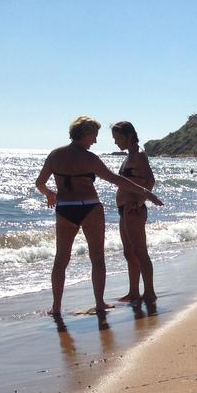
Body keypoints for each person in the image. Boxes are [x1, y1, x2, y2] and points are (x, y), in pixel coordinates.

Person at [36, 116, 163, 317]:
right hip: (90, 208)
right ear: (85, 134)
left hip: (65, 208)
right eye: (94, 136)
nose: (95, 141)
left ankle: (56, 307)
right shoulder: (90, 159)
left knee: (61, 259)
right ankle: (99, 302)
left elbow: (40, 183)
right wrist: (146, 193)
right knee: (97, 258)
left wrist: (50, 194)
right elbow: (115, 179)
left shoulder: (55, 155)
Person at [111, 121, 157, 305]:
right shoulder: (128, 157)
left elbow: (150, 181)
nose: (115, 143)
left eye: (118, 138)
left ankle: (149, 292)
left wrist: (138, 202)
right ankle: (133, 292)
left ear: (129, 136)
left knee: (140, 251)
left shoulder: (139, 155)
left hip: (134, 210)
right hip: (123, 210)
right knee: (129, 253)